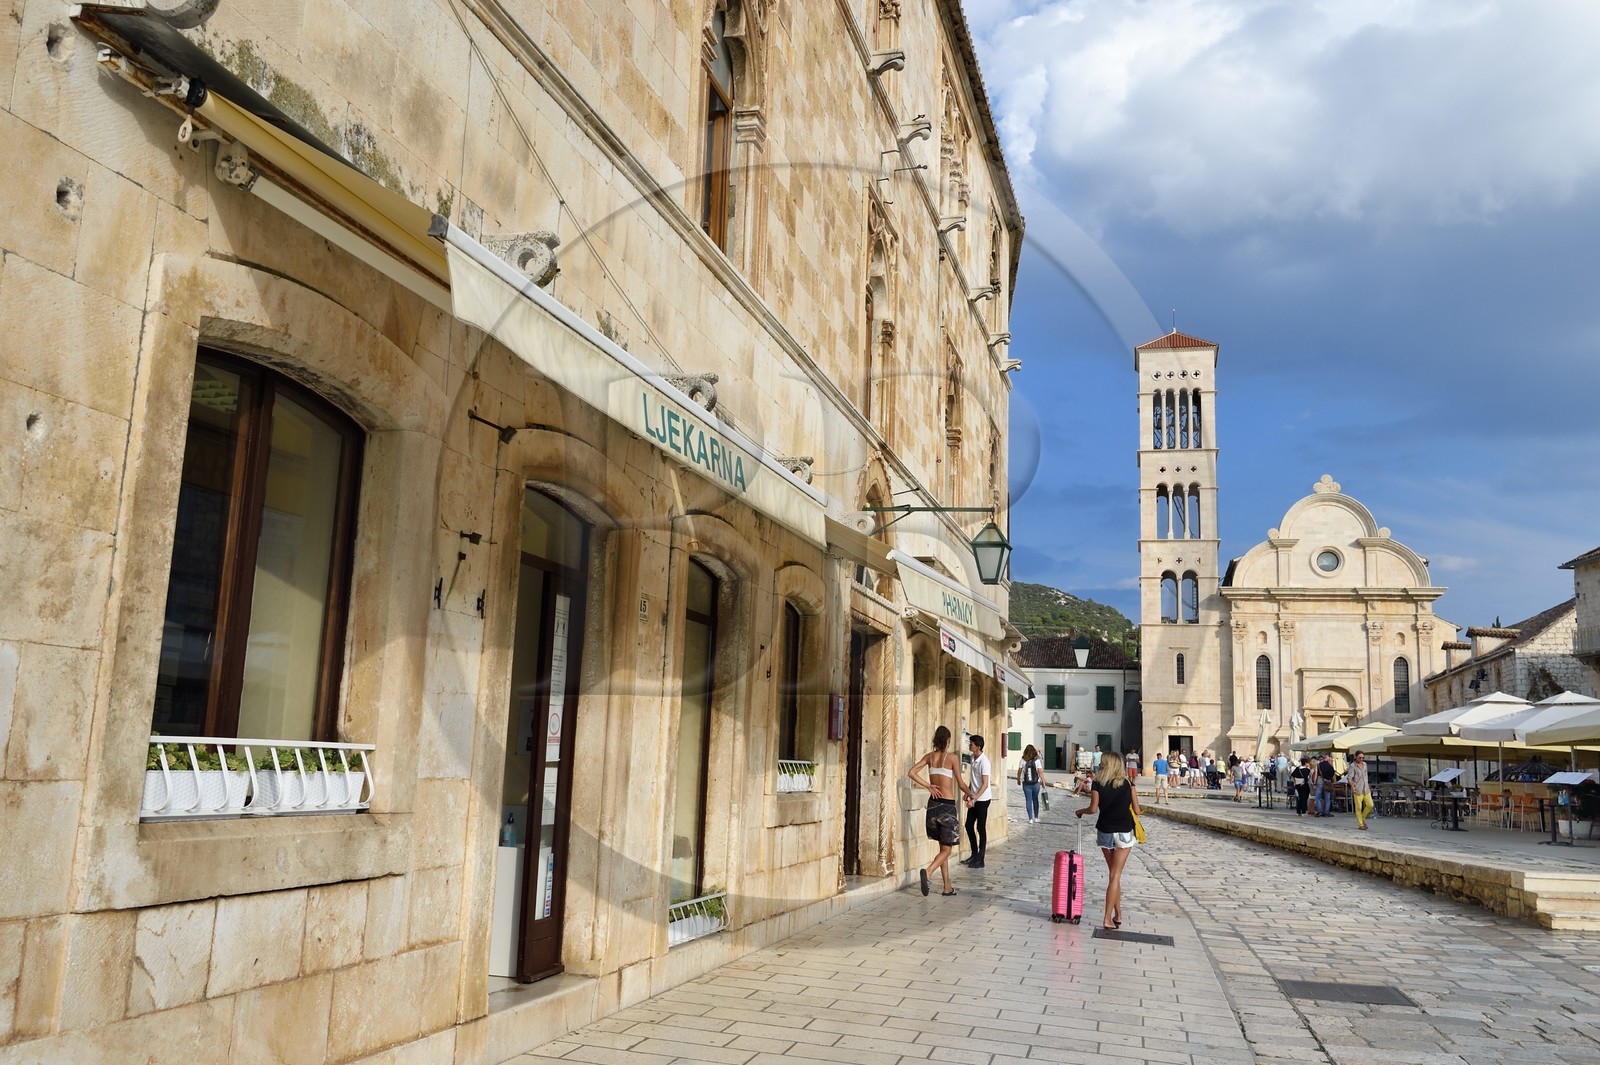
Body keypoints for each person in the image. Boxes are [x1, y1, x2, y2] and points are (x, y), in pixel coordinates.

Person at [906, 725, 974, 896]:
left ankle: (947, 887)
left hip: (932, 806)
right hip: (947, 806)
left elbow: (911, 772)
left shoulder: (929, 757)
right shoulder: (952, 758)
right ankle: (928, 872)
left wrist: (928, 785)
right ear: (948, 740)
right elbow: (960, 783)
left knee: (942, 847)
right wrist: (971, 795)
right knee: (948, 849)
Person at [1076, 750, 1140, 929]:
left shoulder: (1097, 783)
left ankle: (1117, 914)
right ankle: (1106, 918)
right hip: (1124, 832)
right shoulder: (1128, 783)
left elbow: (1093, 809)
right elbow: (1137, 809)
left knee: (1113, 875)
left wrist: (1080, 811)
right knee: (1115, 875)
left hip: (1105, 831)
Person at [960, 735, 991, 868]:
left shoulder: (984, 762)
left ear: (978, 746)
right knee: (968, 825)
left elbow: (985, 784)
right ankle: (974, 854)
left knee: (980, 827)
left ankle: (981, 859)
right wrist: (968, 792)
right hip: (974, 796)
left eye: (972, 744)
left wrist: (975, 798)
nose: (970, 745)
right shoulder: (973, 758)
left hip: (983, 799)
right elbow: (974, 779)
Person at [1017, 744, 1046, 823]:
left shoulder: (1023, 760)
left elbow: (1019, 770)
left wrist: (1018, 779)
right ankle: (1036, 817)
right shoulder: (1037, 760)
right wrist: (1043, 781)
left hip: (1026, 784)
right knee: (1035, 799)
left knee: (1028, 800)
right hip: (1036, 783)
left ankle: (1030, 818)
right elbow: (1040, 771)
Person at [1348, 751, 1374, 830]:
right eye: (1360, 757)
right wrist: (1352, 786)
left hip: (1366, 788)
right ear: (1355, 757)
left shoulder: (1365, 765)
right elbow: (1349, 778)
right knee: (1358, 808)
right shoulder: (1353, 766)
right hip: (1358, 789)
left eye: (1363, 757)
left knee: (1370, 805)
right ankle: (1360, 824)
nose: (1361, 759)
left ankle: (1362, 818)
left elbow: (1365, 776)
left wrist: (1369, 786)